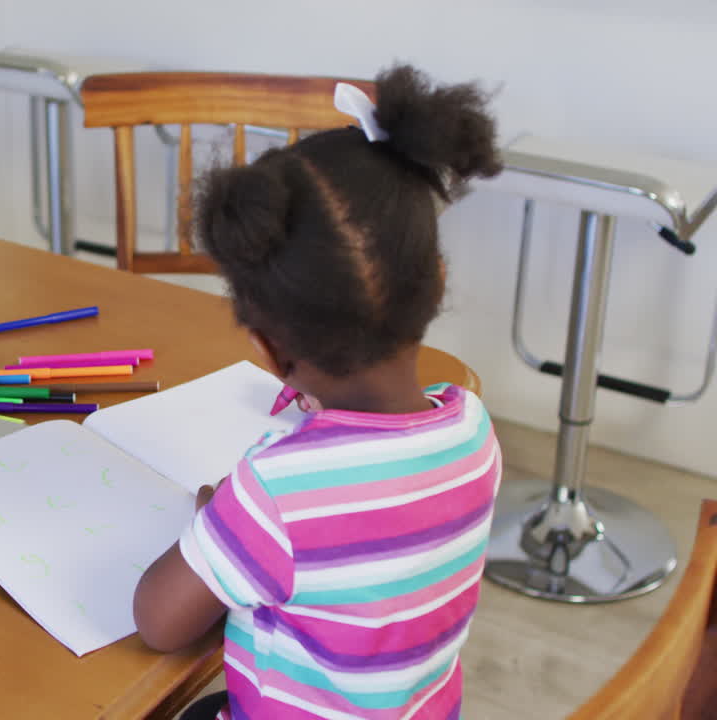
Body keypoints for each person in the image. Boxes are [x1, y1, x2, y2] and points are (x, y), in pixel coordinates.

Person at [133, 65, 505, 720]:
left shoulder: (275, 495)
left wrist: (217, 525)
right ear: (437, 282)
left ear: (268, 348)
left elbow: (158, 623)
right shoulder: (474, 428)